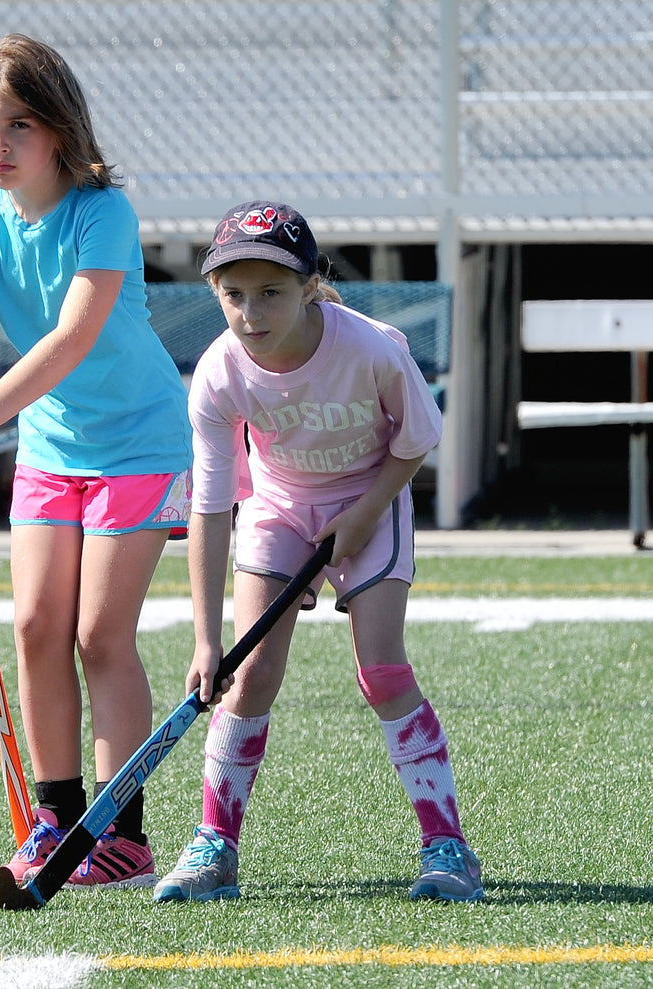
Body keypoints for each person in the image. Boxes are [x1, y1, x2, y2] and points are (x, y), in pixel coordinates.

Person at [0, 34, 192, 889]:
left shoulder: (103, 213)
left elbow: (72, 338)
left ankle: (123, 835)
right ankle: (57, 821)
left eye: (18, 123)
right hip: (51, 446)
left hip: (139, 441)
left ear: (60, 129)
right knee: (35, 628)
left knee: (99, 635)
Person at [152, 201, 483, 904]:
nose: (250, 312)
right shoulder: (216, 374)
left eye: (270, 291)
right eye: (233, 295)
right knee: (248, 676)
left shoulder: (369, 346)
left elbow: (417, 438)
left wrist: (362, 515)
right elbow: (212, 509)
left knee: (383, 670)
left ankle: (446, 844)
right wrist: (206, 640)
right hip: (277, 508)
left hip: (372, 494)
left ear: (308, 286)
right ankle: (216, 846)